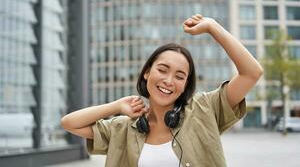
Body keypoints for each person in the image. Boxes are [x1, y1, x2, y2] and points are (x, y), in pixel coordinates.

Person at [61, 14, 263, 167]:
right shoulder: (123, 128)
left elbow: (252, 72)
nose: (168, 81)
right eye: (162, 70)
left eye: (179, 76)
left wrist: (212, 27)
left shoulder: (205, 109)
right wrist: (116, 106)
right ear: (147, 72)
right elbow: (69, 123)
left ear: (185, 85)